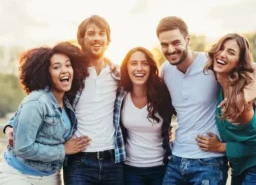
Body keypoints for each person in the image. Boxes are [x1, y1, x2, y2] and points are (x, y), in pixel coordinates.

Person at [3, 15, 126, 184]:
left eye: (101, 33)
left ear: (108, 40)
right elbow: (36, 100)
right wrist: (11, 124)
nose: (97, 38)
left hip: (113, 159)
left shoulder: (120, 75)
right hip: (78, 162)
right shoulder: (72, 74)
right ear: (81, 40)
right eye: (91, 33)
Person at [156, 16, 256, 184]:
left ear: (187, 40)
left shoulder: (211, 63)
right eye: (164, 44)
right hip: (176, 159)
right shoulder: (165, 70)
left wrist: (243, 97)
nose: (171, 49)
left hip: (208, 162)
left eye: (176, 42)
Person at [0, 42, 90, 185]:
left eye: (68, 65)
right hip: (19, 175)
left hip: (51, 176)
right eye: (56, 67)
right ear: (45, 73)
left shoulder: (68, 100)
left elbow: (19, 116)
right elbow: (23, 148)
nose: (65, 70)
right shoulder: (37, 101)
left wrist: (10, 126)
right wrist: (63, 150)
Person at [197, 33, 256, 185]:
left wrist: (219, 146)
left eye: (231, 52)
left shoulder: (240, 103)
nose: (222, 54)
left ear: (238, 64)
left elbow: (255, 146)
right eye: (221, 48)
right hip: (240, 168)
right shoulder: (223, 88)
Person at [115, 47, 174, 185]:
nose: (139, 68)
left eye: (144, 63)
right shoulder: (120, 95)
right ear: (126, 68)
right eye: (134, 63)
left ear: (151, 67)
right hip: (130, 170)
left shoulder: (163, 94)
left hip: (161, 168)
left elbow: (184, 113)